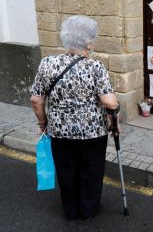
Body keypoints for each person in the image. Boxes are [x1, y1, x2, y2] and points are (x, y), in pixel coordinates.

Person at [30, 15, 120, 220]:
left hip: (60, 132)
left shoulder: (47, 64)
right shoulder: (95, 67)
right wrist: (116, 114)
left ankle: (70, 210)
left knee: (66, 170)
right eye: (93, 40)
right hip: (92, 133)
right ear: (88, 43)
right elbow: (110, 103)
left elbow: (36, 100)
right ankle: (88, 209)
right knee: (91, 170)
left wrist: (43, 123)